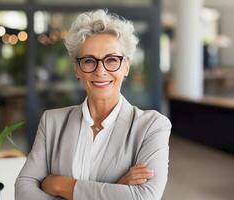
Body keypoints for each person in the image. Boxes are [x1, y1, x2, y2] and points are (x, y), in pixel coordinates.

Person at [15, 9, 171, 200]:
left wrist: (62, 185)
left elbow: (143, 197)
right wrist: (115, 189)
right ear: (77, 69)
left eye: (112, 60)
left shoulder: (152, 126)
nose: (100, 71)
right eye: (89, 61)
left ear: (126, 67)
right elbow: (24, 189)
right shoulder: (52, 122)